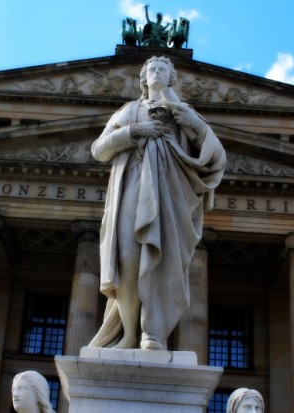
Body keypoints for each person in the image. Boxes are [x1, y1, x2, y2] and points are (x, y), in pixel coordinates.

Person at [88, 56, 226, 350]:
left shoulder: (183, 111)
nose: (156, 72)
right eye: (151, 69)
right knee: (127, 259)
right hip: (132, 190)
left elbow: (214, 155)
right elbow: (99, 149)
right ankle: (128, 333)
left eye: (163, 69)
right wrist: (134, 132)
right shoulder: (129, 111)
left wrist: (195, 126)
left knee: (161, 260)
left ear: (172, 78)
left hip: (170, 195)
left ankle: (153, 332)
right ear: (143, 78)